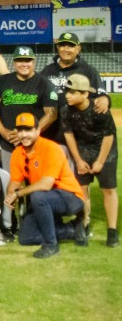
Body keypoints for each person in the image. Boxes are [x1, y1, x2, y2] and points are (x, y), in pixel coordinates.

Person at [4, 112, 85, 258]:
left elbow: (46, 184)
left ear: (37, 130)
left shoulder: (51, 148)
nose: (24, 135)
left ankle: (51, 245)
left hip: (70, 197)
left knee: (38, 196)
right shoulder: (18, 153)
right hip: (46, 200)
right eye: (20, 131)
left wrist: (18, 193)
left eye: (28, 130)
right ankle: (72, 229)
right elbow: (14, 182)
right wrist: (11, 196)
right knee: (26, 238)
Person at [61, 74, 118, 247]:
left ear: (85, 94)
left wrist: (100, 162)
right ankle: (84, 223)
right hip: (83, 149)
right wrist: (78, 160)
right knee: (82, 189)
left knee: (108, 189)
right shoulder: (66, 110)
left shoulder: (99, 109)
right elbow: (69, 135)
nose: (67, 95)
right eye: (67, 91)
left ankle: (112, 231)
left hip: (105, 150)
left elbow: (109, 137)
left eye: (73, 92)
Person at [0, 46, 58, 171]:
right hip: (9, 142)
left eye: (27, 60)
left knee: (37, 184)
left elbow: (51, 114)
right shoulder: (3, 81)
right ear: (14, 63)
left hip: (35, 144)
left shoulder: (44, 83)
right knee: (12, 182)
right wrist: (3, 131)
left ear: (34, 62)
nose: (24, 64)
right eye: (20, 60)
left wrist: (27, 134)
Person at [41, 32, 110, 145]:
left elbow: (101, 94)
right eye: (63, 45)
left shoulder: (88, 71)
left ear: (78, 49)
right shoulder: (47, 71)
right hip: (52, 133)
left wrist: (104, 98)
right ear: (58, 47)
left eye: (71, 46)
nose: (66, 49)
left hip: (78, 134)